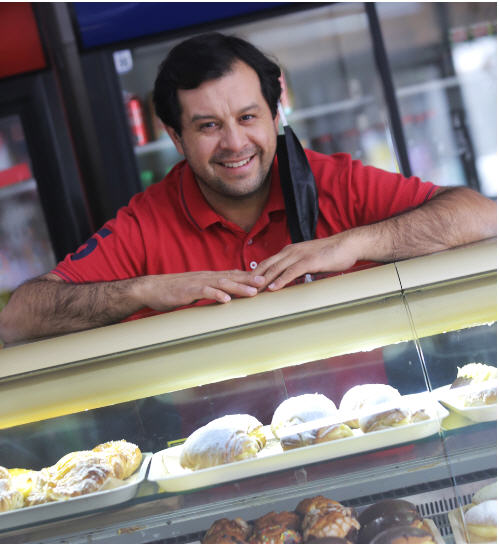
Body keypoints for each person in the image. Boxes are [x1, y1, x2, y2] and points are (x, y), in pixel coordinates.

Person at [0, 32, 495, 345]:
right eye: (208, 126)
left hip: (372, 442)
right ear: (176, 137)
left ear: (275, 114)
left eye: (248, 117)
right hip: (216, 480)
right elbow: (18, 319)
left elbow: (483, 217)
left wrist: (352, 244)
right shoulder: (146, 222)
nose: (235, 143)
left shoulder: (333, 180)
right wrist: (147, 290)